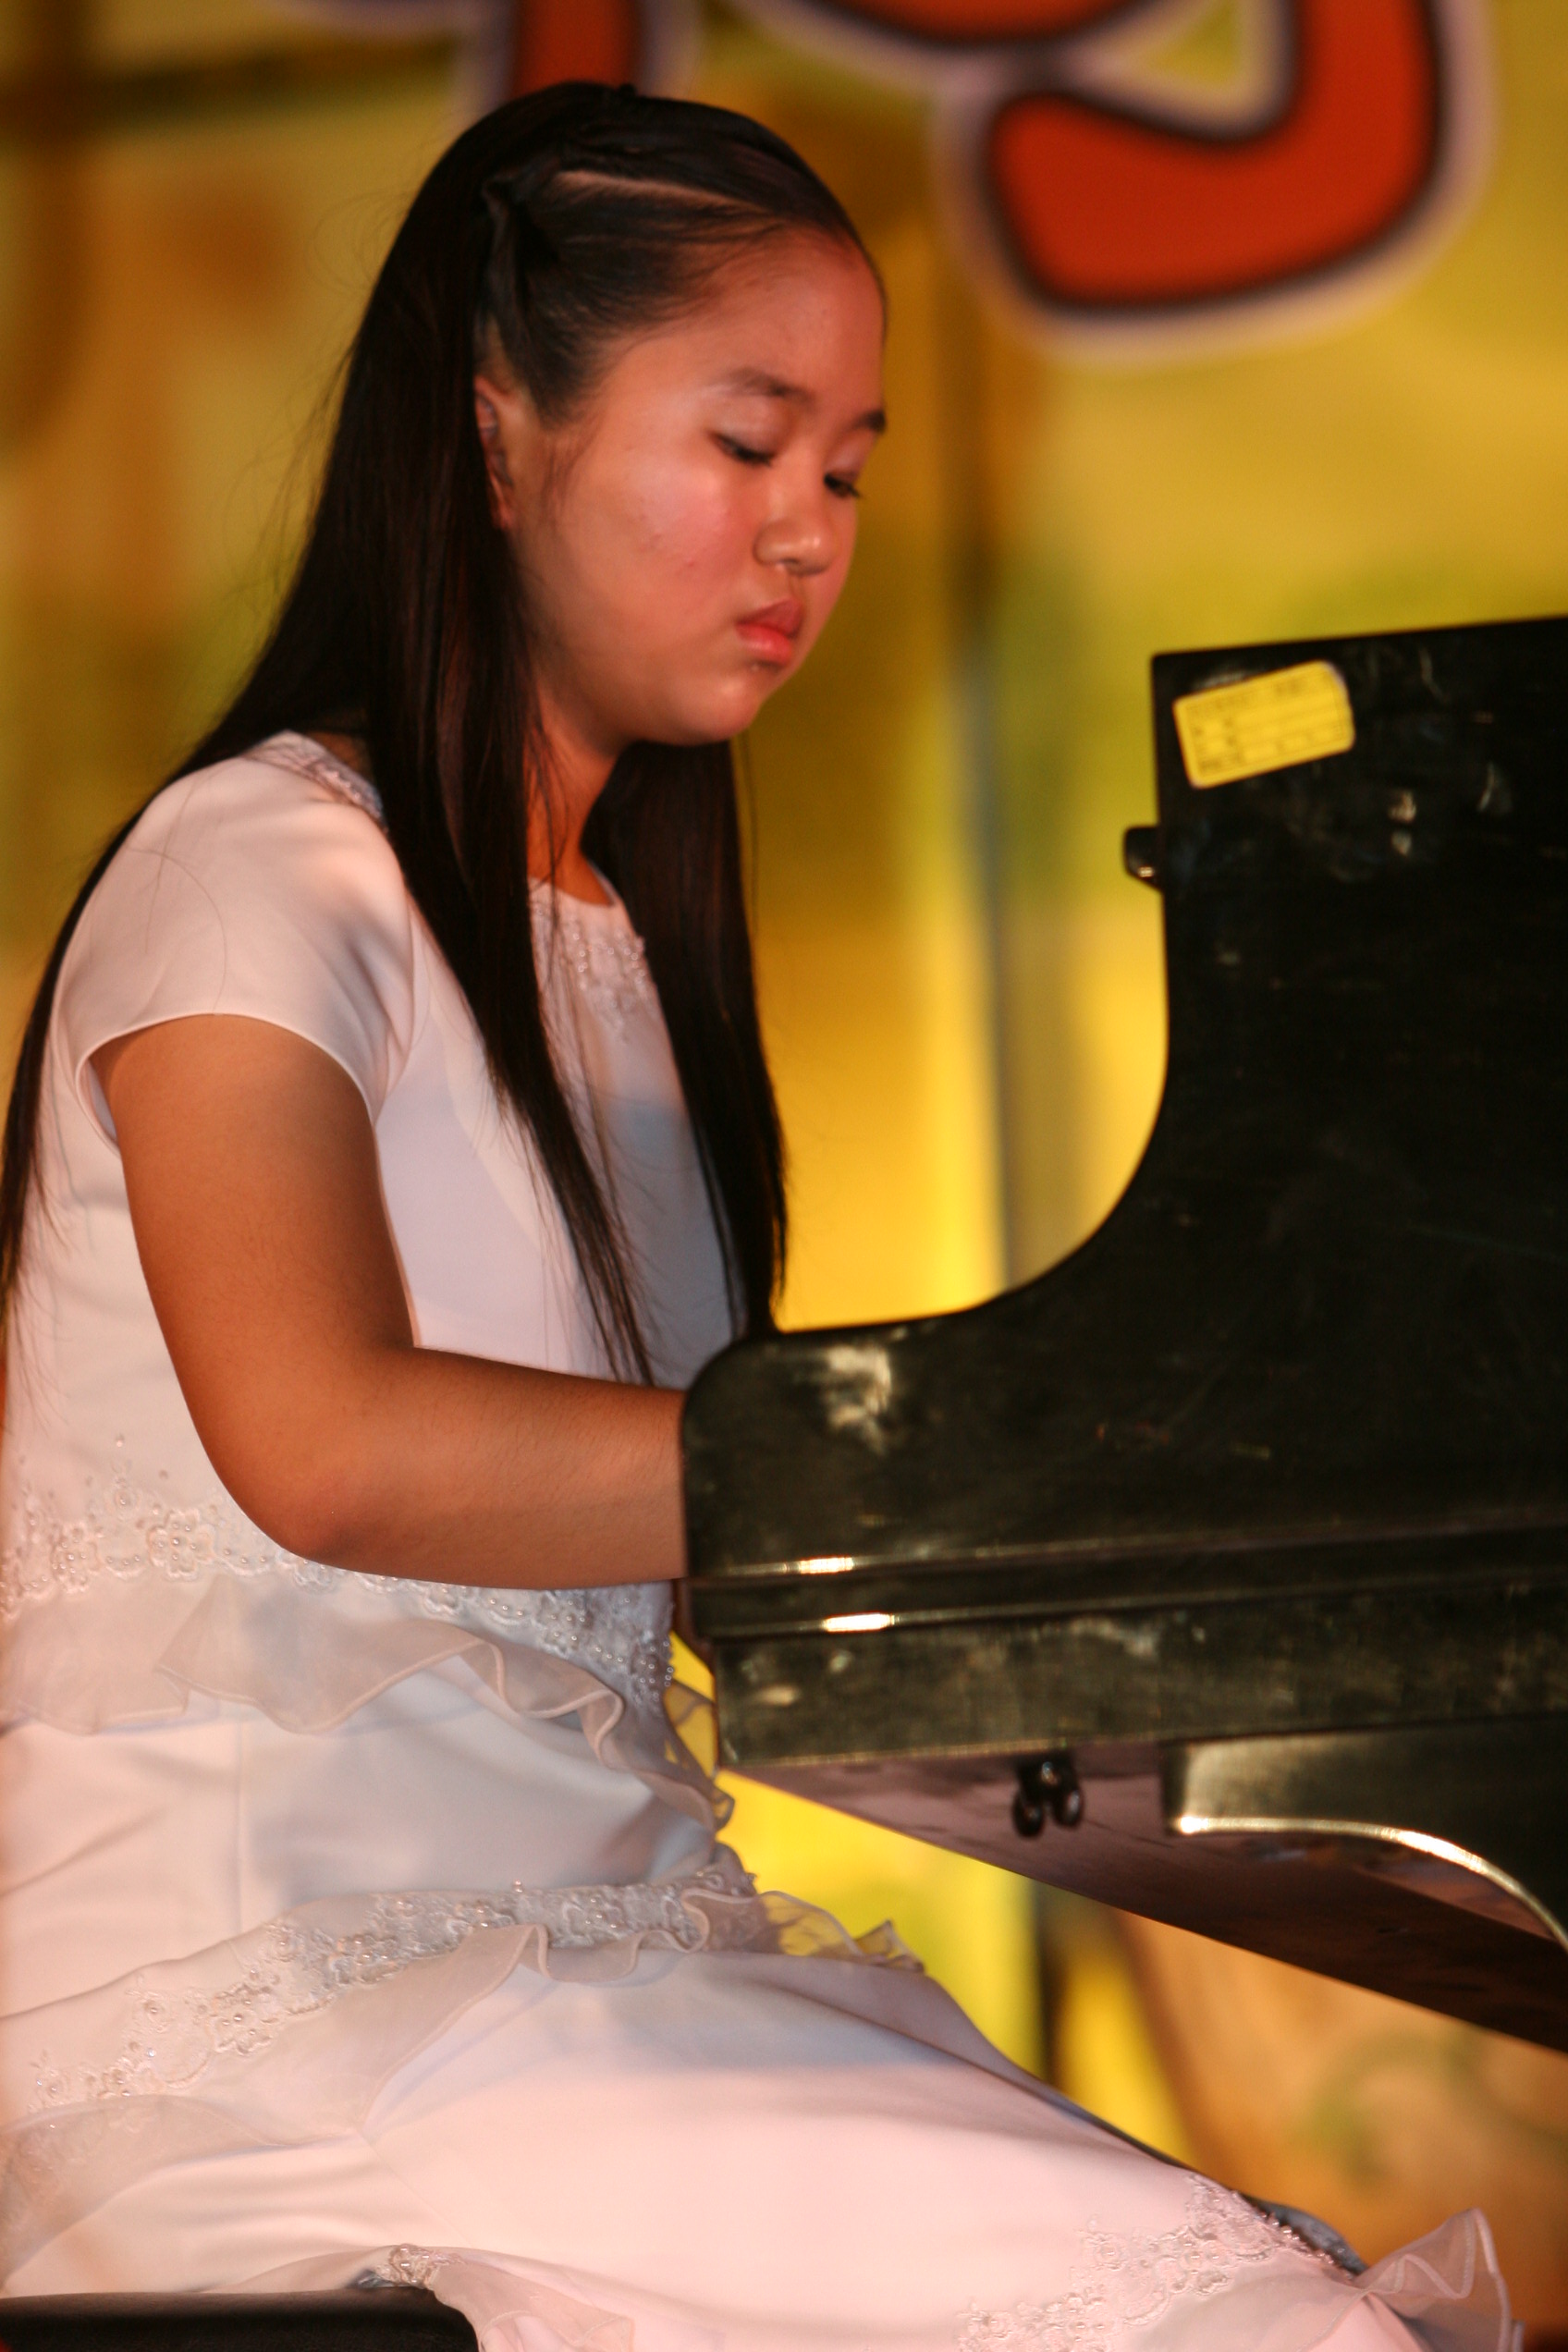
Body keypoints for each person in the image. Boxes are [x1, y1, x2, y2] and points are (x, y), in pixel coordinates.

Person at [0, 81, 1506, 2352]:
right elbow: (321, 1442)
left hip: (599, 1971)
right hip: (283, 2009)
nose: (808, 532)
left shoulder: (618, 961)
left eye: (849, 471)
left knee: (1251, 2289)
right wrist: (970, 1457)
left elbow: (708, 1580)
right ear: (496, 433)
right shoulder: (258, 864)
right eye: (746, 442)